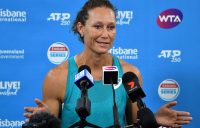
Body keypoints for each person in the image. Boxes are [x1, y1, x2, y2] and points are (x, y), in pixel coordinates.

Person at [24, 0, 192, 127]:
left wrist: (153, 120)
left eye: (111, 27)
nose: (106, 34)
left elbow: (136, 123)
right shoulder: (57, 77)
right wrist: (42, 121)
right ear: (81, 28)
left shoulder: (129, 74)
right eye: (98, 26)